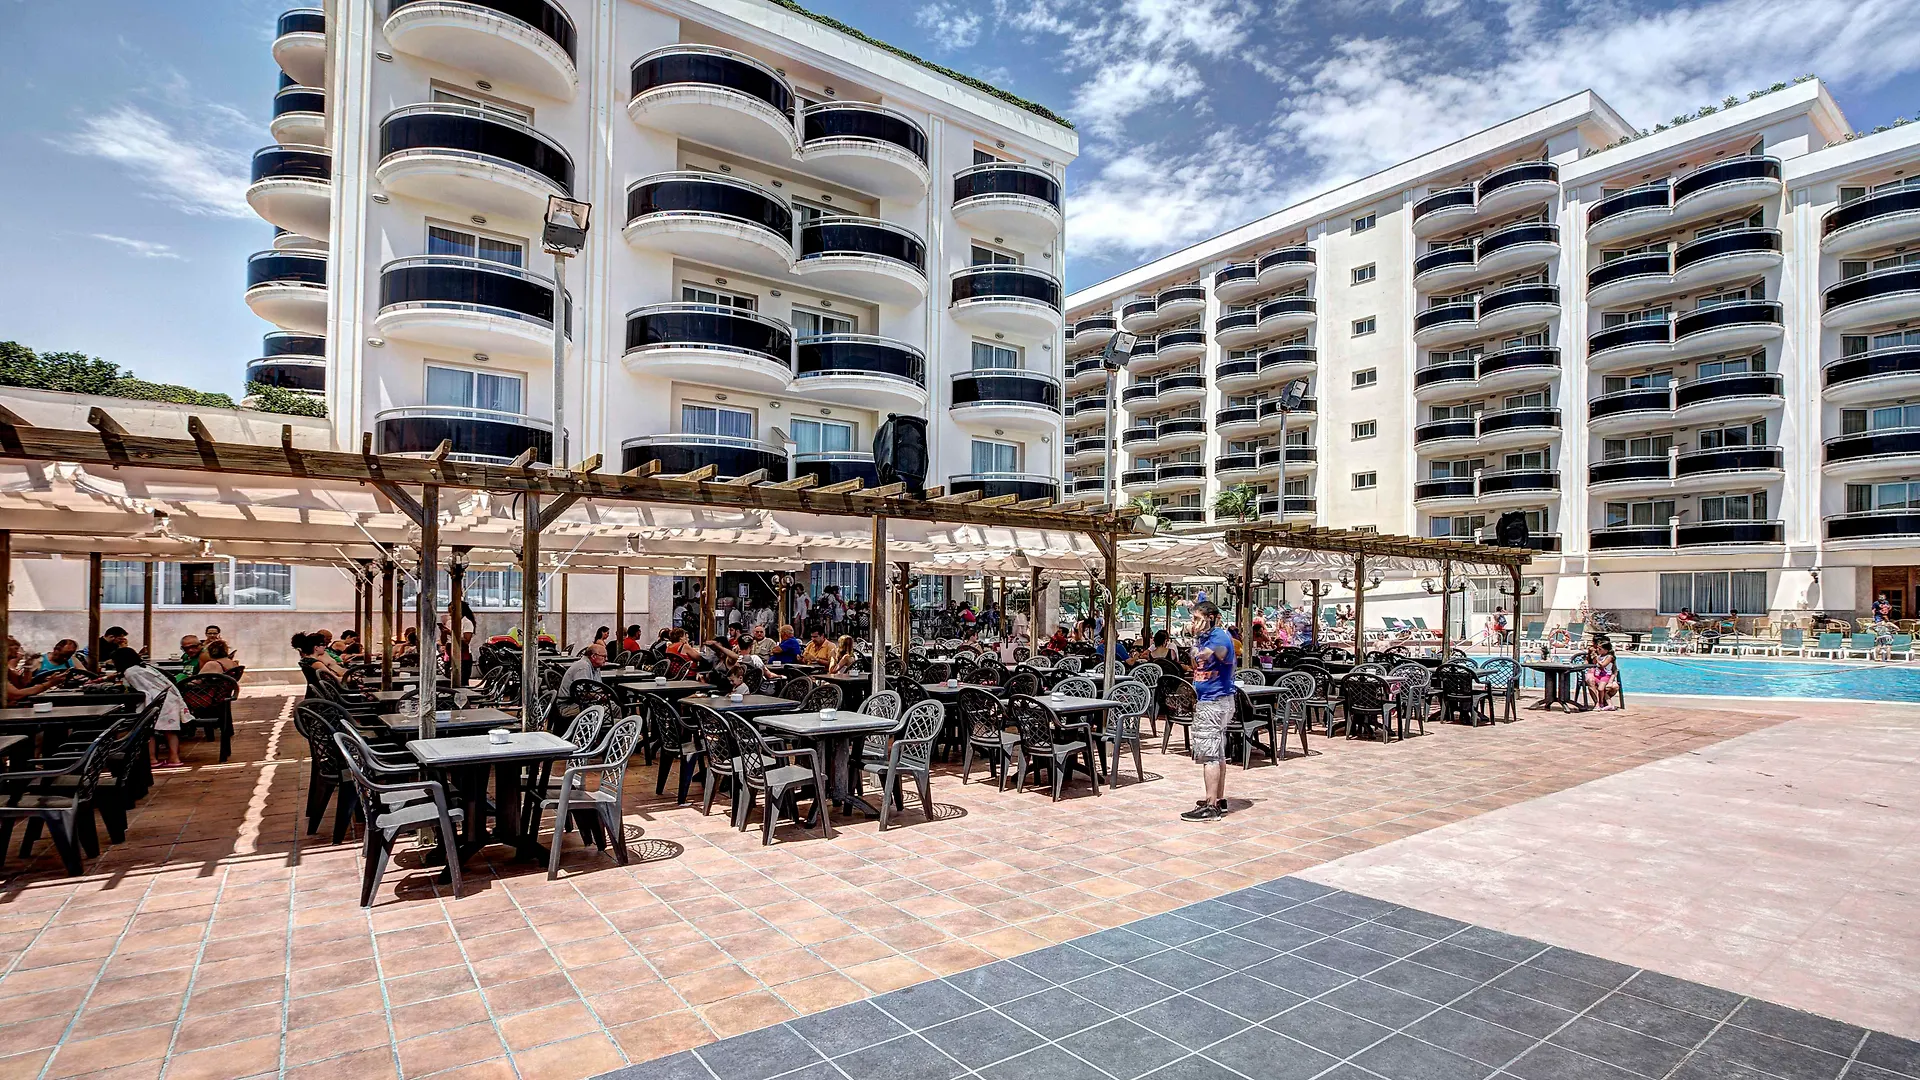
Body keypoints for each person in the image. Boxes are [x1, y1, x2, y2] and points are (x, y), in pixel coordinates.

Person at [1182, 601, 1236, 822]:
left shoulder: (1219, 637)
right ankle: (1218, 800)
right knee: (1217, 751)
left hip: (1214, 701)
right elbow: (1195, 664)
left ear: (1211, 618)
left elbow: (1200, 657)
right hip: (1211, 700)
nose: (1193, 623)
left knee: (1209, 754)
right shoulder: (1205, 638)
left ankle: (1211, 805)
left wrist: (1194, 642)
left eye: (1197, 618)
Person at [115, 647, 190, 768]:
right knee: (170, 731)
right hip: (170, 699)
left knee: (148, 731)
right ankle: (174, 758)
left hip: (155, 702)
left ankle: (152, 759)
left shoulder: (130, 672)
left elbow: (140, 690)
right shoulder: (144, 667)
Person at [5, 638, 61, 705]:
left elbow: (23, 685)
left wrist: (28, 667)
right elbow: (16, 694)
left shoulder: (7, 669)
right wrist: (50, 683)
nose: (17, 652)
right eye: (16, 648)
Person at [1585, 639, 1619, 710]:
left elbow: (1602, 665)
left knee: (1601, 689)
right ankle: (1605, 704)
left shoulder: (1609, 657)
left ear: (1606, 650)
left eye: (1600, 649)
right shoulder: (1600, 656)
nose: (1597, 650)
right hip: (1598, 675)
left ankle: (1601, 703)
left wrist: (1597, 659)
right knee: (1597, 687)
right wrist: (1593, 656)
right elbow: (1594, 664)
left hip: (1605, 676)